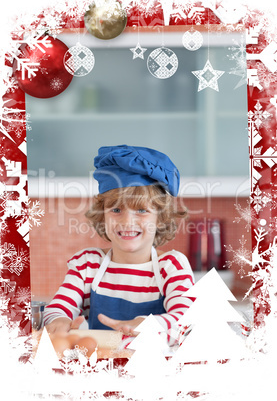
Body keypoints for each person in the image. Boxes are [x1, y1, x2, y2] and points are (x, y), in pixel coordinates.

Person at [43, 145, 195, 342]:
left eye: (141, 210)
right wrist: (59, 320)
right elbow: (58, 307)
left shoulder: (171, 266)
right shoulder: (87, 265)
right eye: (116, 210)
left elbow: (187, 321)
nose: (127, 222)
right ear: (102, 216)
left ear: (160, 218)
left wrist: (146, 324)